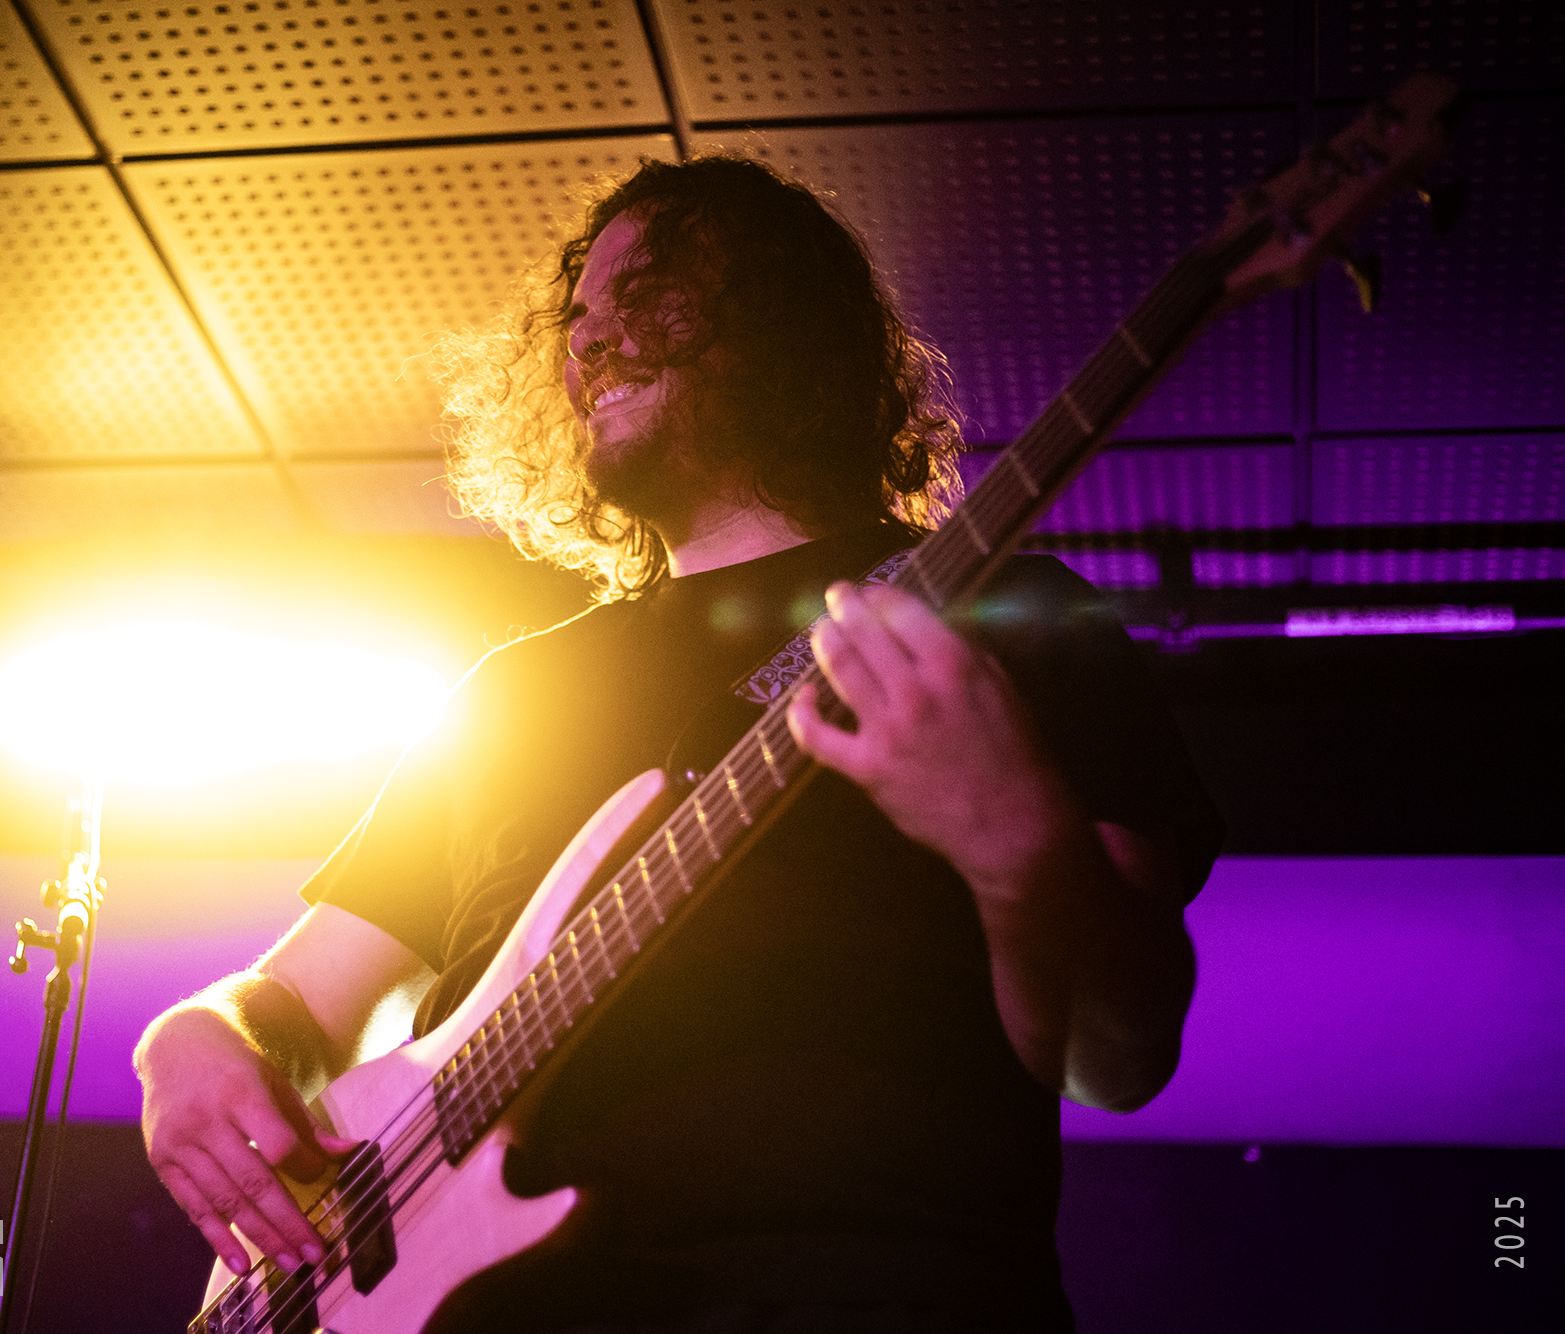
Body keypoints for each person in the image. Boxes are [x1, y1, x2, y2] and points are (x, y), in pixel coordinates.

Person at [134, 156, 1223, 1332]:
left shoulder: (1004, 613)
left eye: (647, 294)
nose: (588, 341)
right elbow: (297, 999)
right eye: (578, 315)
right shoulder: (514, 690)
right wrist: (194, 1037)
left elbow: (1120, 1053)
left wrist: (1015, 842)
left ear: (783, 323)